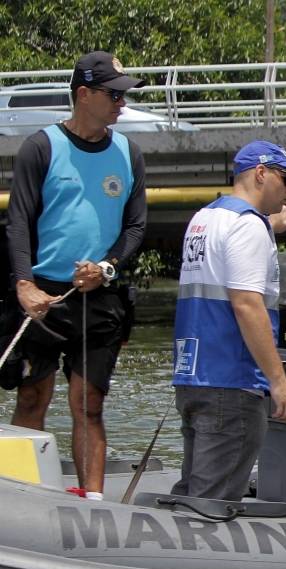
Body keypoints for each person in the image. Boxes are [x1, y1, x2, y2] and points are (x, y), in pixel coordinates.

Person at [4, 51, 148, 501]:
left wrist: (105, 267)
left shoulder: (129, 152)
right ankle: (20, 498)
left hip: (99, 294)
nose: (122, 104)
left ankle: (94, 501)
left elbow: (136, 226)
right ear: (83, 94)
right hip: (42, 297)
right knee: (32, 397)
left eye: (124, 95)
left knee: (89, 406)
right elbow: (19, 221)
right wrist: (24, 284)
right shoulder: (41, 147)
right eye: (113, 95)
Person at [170, 140, 286, 500]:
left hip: (194, 376)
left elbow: (228, 250)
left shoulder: (205, 218)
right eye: (285, 177)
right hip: (233, 382)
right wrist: (278, 381)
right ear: (261, 173)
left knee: (194, 489)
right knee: (213, 502)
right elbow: (247, 304)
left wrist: (268, 225)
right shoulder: (248, 228)